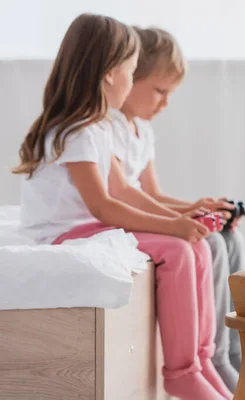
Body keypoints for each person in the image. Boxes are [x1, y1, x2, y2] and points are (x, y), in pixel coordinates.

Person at [13, 14, 231, 400]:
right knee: (178, 250)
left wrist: (183, 218)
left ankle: (199, 360)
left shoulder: (94, 127)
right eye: (132, 72)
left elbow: (126, 193)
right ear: (112, 74)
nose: (131, 81)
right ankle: (181, 373)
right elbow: (105, 207)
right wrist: (174, 228)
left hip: (88, 226)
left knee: (193, 246)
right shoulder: (74, 131)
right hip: (64, 232)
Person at [109, 26, 245, 392]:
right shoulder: (108, 127)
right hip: (124, 220)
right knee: (210, 245)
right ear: (128, 77)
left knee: (230, 238)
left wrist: (196, 207)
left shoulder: (142, 131)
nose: (164, 103)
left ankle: (232, 352)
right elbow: (123, 195)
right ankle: (213, 358)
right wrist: (181, 219)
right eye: (159, 91)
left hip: (142, 211)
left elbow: (152, 192)